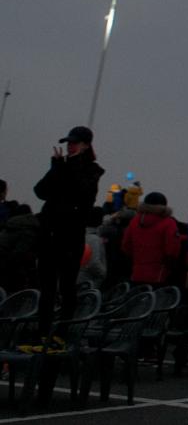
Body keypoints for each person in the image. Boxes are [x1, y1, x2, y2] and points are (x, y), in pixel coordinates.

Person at [33, 125, 104, 334]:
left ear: (86, 145)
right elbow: (41, 191)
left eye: (75, 143)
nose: (71, 146)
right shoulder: (62, 167)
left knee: (66, 286)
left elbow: (83, 194)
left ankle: (62, 332)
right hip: (51, 234)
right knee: (47, 287)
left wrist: (71, 166)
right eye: (69, 143)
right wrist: (55, 168)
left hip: (71, 236)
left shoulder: (91, 170)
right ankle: (43, 332)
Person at [121, 191, 182, 284]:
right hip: (159, 274)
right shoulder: (169, 223)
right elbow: (172, 249)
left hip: (137, 273)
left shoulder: (134, 221)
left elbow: (126, 245)